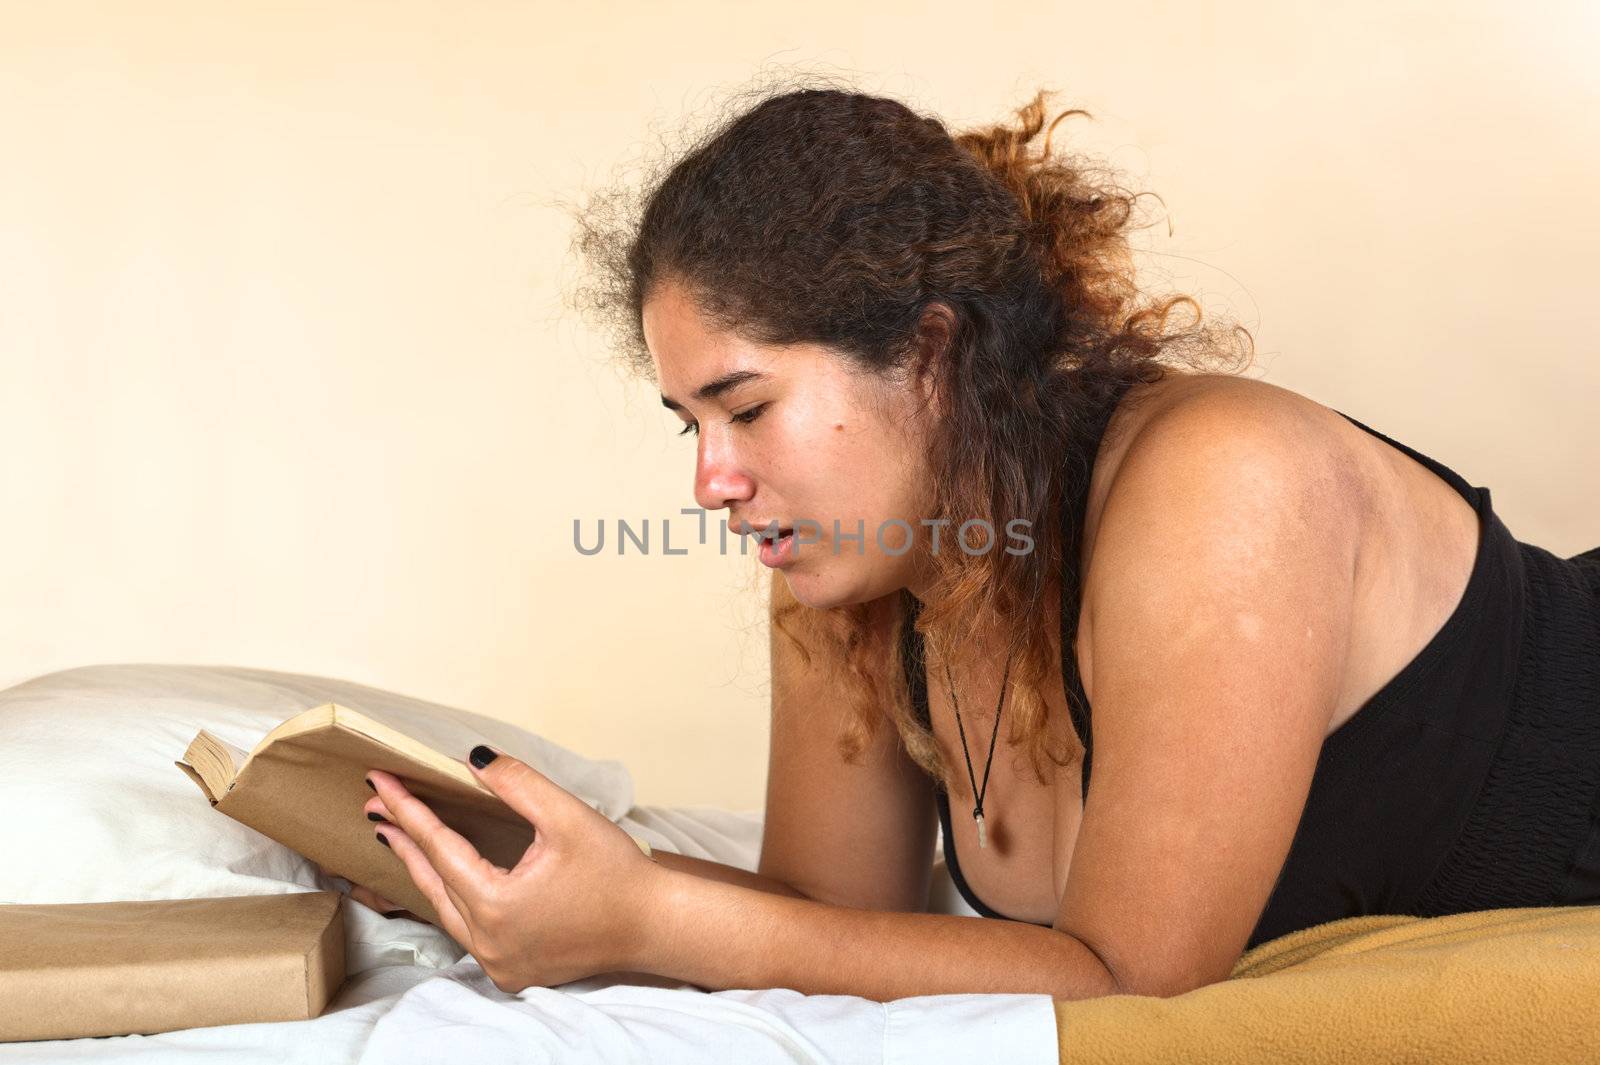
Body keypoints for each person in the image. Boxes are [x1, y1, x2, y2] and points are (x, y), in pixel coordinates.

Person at [349, 82, 1600, 1002]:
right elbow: (831, 924)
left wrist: (650, 920)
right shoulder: (843, 562)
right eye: (687, 424)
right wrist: (530, 878)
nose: (711, 481)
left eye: (744, 408)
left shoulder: (1222, 481)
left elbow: (1125, 987)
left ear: (933, 354)